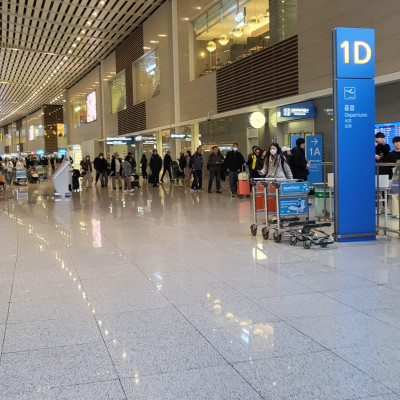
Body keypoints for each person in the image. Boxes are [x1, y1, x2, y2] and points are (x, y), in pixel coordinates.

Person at [388, 137, 400, 219]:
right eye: (396, 142)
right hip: (394, 176)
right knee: (394, 195)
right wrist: (389, 178)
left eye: (399, 142)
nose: (398, 144)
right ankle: (396, 213)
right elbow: (388, 168)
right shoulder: (390, 155)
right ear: (393, 144)